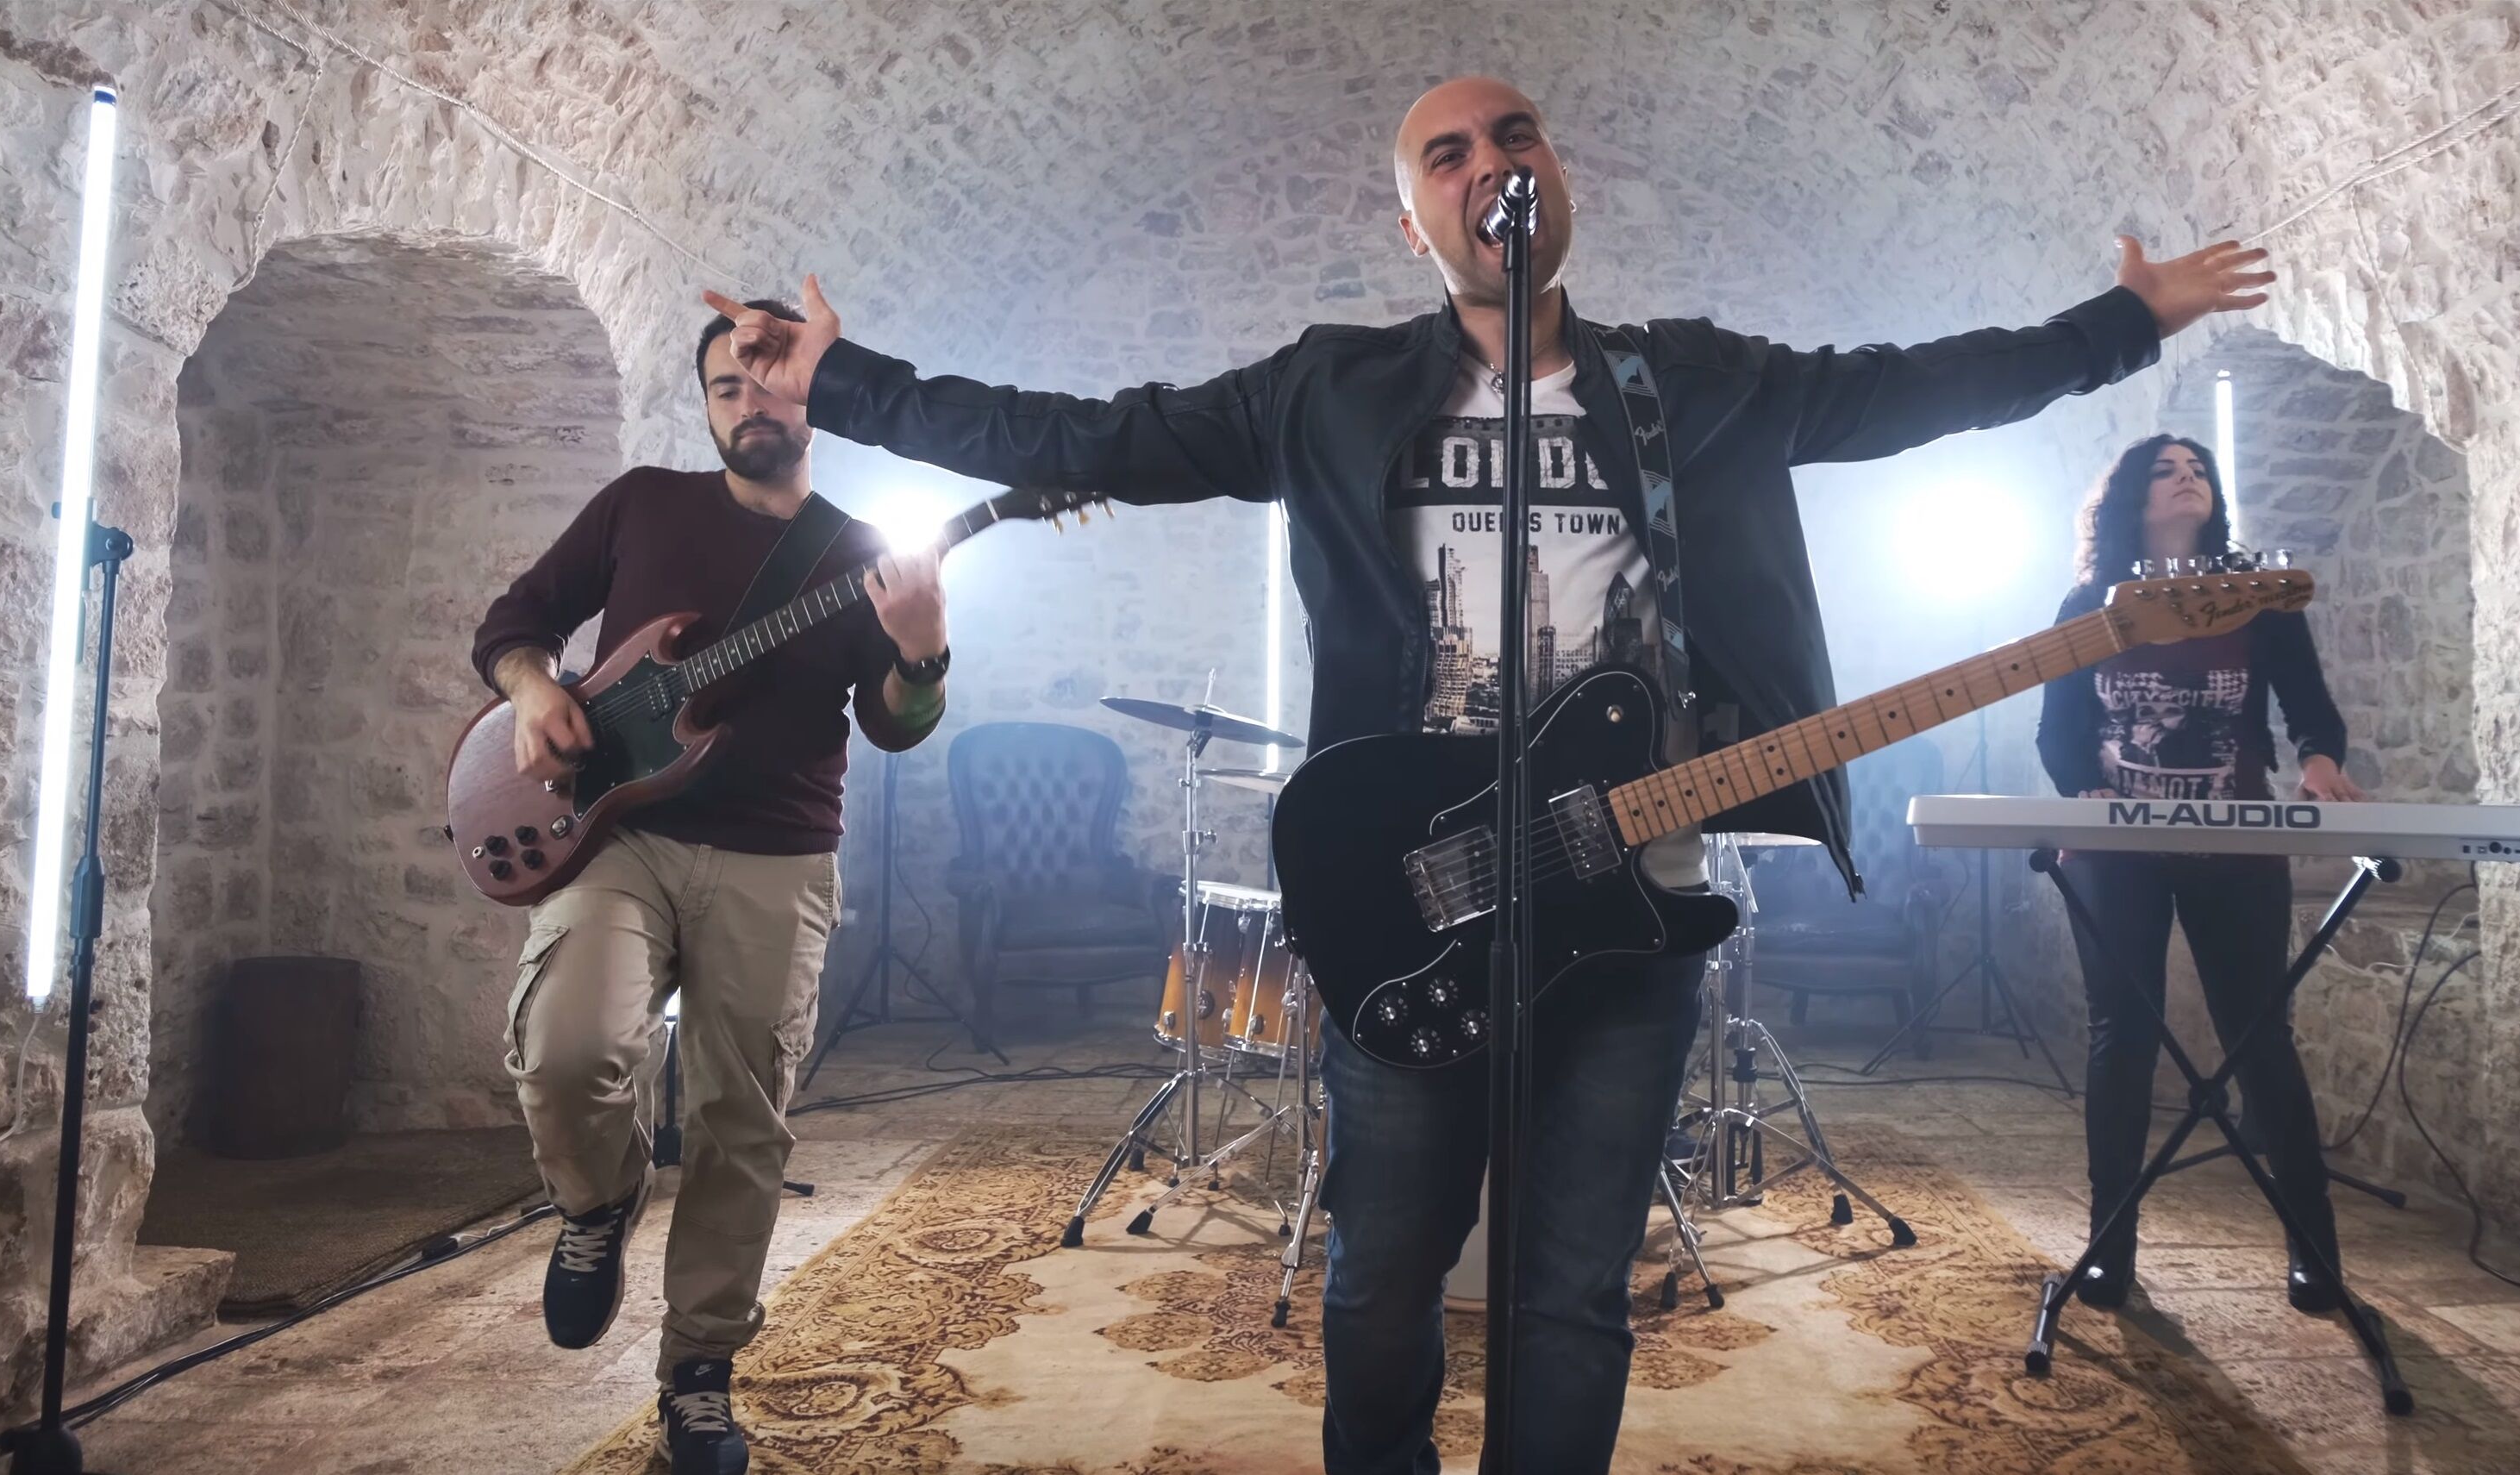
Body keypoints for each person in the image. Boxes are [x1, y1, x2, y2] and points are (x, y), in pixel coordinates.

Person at [702, 76, 2271, 1473]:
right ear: (1413, 222)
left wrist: (2120, 323)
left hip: (1632, 902)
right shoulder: (1326, 388)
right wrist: (850, 383)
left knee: (1573, 1290)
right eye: (1446, 154)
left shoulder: (1692, 383)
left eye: (1513, 136)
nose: (1488, 164)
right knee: (1380, 1279)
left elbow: (1917, 386)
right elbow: (1085, 436)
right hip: (1413, 898)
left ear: (1556, 176)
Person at [468, 299, 954, 1475]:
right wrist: (535, 689)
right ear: (706, 405)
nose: (751, 404)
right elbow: (515, 623)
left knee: (743, 1122)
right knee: (568, 1049)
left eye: (772, 384)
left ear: (813, 398)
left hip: (778, 850)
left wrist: (923, 648)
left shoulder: (860, 551)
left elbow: (898, 725)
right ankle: (596, 1202)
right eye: (728, 387)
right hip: (616, 835)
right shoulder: (643, 502)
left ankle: (698, 1372)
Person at [2033, 434, 2365, 1316]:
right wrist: (2083, 786)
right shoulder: (2087, 603)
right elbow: (2058, 731)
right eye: (2166, 470)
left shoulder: (2258, 598)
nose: (2188, 479)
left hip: (2236, 840)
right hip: (2116, 849)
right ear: (2130, 497)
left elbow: (2310, 708)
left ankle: (2315, 1254)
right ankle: (2108, 1250)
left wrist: (2320, 759)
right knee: (2122, 1038)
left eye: (2199, 470)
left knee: (2260, 1037)